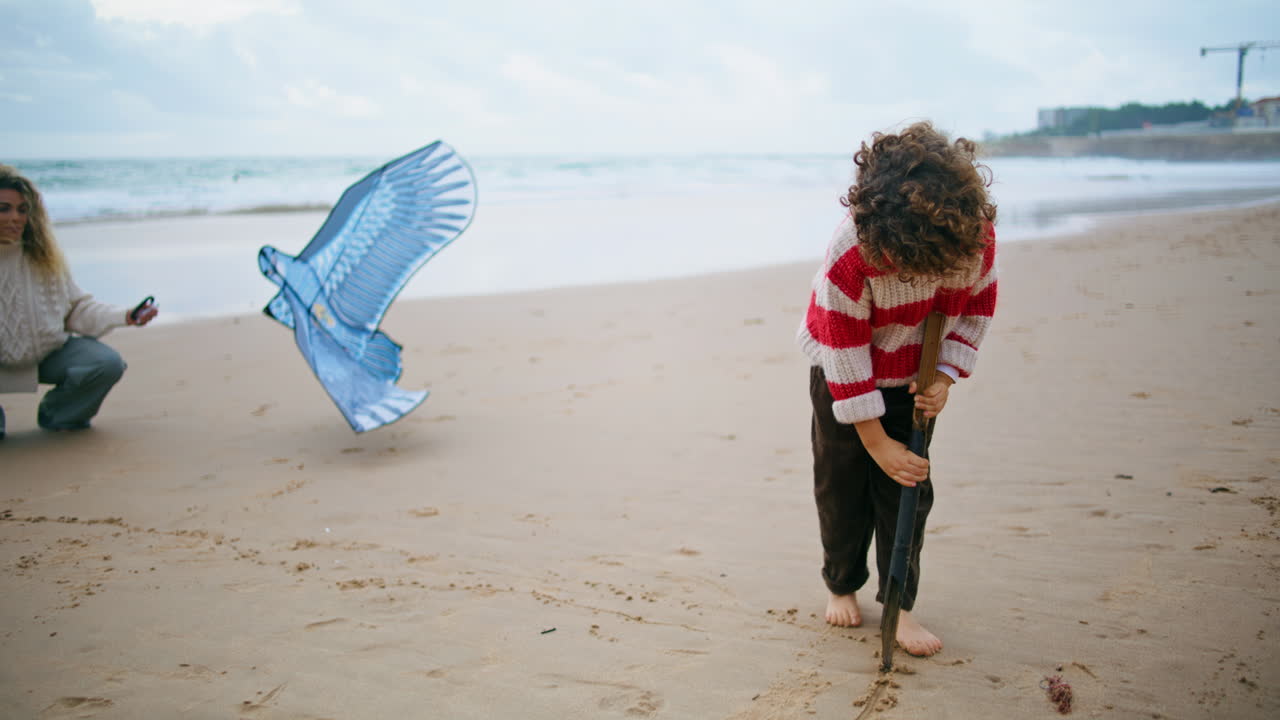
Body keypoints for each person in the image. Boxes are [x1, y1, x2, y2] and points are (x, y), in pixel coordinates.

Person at [796, 121, 998, 657]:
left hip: (914, 374)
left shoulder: (973, 238)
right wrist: (874, 438)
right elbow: (844, 347)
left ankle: (899, 606)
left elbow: (976, 310)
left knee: (908, 488)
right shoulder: (853, 250)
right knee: (841, 485)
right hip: (843, 372)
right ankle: (841, 582)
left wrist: (945, 377)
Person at [0, 164, 157, 438]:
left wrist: (127, 315)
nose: (15, 218)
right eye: (4, 208)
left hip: (45, 353)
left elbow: (77, 309)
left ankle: (61, 415)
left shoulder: (43, 257)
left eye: (23, 210)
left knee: (106, 362)